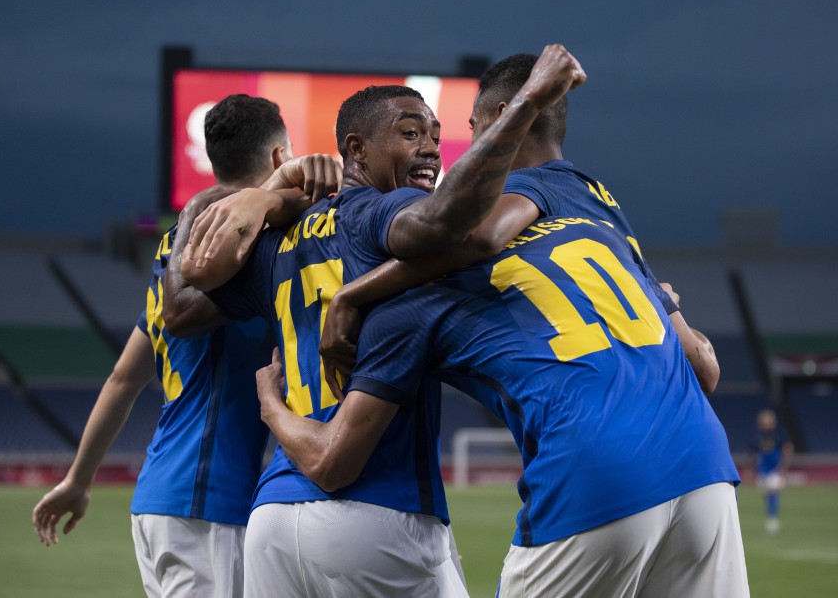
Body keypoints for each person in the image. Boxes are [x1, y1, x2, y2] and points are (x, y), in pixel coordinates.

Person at [170, 44, 586, 597]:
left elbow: (177, 310)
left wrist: (245, 199)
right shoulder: (379, 210)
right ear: (356, 149)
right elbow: (447, 227)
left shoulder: (275, 244)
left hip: (273, 516)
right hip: (375, 505)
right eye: (412, 134)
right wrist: (527, 106)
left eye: (437, 136)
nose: (432, 150)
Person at [261, 214, 748, 597]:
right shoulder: (597, 232)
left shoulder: (407, 305)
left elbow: (332, 459)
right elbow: (705, 369)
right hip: (705, 463)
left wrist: (271, 404)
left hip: (594, 470)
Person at [31, 94, 339, 598]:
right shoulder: (260, 245)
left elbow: (124, 378)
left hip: (159, 498)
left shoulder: (177, 248)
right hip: (207, 500)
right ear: (281, 158)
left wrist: (78, 480)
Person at [320, 52, 718, 395]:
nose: (468, 143)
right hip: (687, 440)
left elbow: (477, 239)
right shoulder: (603, 207)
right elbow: (704, 369)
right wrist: (656, 298)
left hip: (585, 425)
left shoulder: (522, 187)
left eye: (473, 127)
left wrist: (353, 295)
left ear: (501, 119)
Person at [751, 408, 793, 535]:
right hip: (762, 471)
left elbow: (788, 449)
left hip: (775, 470)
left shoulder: (780, 435)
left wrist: (783, 467)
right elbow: (753, 453)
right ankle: (771, 517)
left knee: (773, 493)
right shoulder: (757, 437)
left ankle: (773, 521)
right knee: (767, 495)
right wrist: (752, 469)